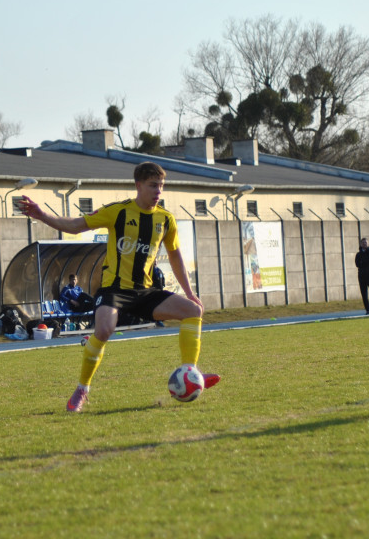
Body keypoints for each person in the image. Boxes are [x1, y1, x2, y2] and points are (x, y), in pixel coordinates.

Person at [19, 162, 220, 412]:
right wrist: (42, 215)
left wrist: (190, 292)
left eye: (161, 186)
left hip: (146, 292)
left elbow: (176, 256)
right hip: (115, 290)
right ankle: (82, 389)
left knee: (193, 310)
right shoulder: (118, 212)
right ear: (138, 185)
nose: (158, 191)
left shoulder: (165, 219)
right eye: (153, 185)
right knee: (103, 331)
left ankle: (190, 372)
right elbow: (76, 225)